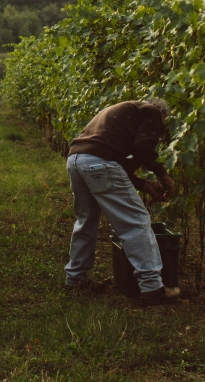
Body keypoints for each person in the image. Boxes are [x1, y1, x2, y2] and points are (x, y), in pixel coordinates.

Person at [64, 98, 180, 306]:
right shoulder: (152, 112)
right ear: (162, 115)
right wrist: (163, 175)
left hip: (75, 160)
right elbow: (142, 149)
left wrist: (144, 184)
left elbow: (113, 160)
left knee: (86, 221)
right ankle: (152, 287)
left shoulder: (126, 112)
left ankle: (75, 279)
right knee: (136, 222)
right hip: (99, 162)